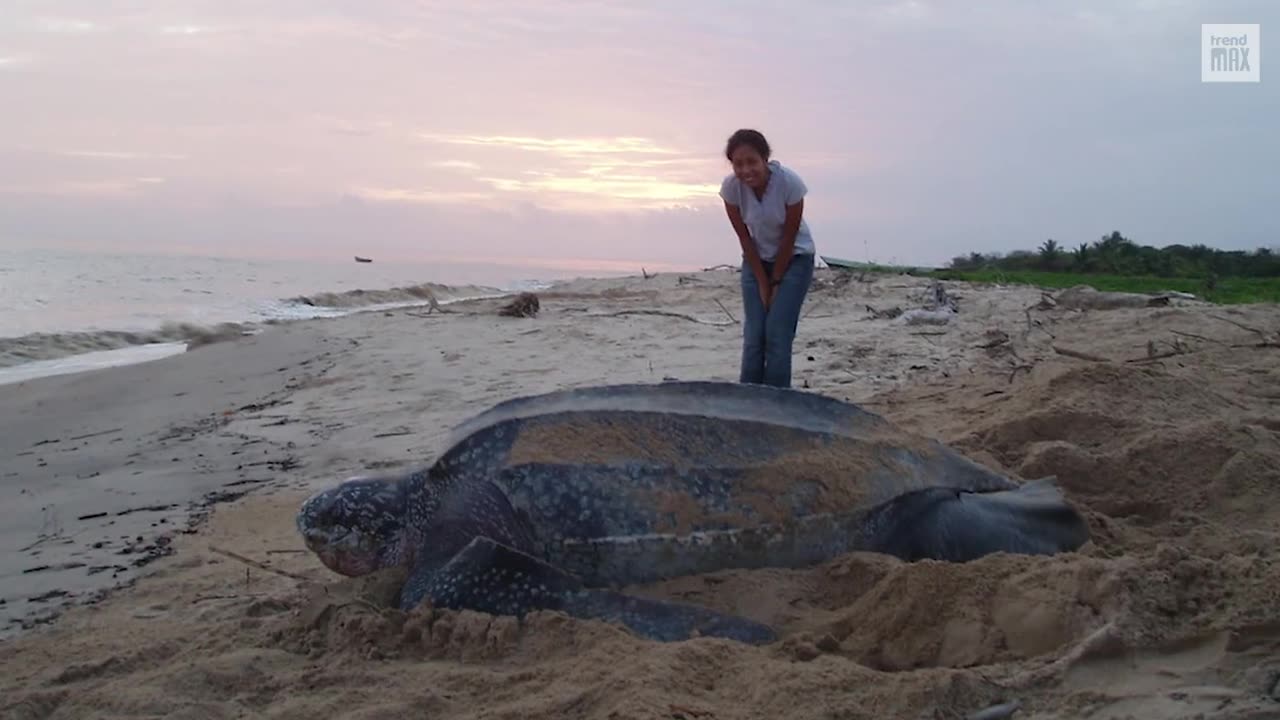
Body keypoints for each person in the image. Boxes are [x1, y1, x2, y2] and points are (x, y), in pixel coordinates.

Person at [718, 129, 816, 388]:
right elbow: (745, 239)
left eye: (752, 162)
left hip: (795, 258)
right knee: (754, 335)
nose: (746, 170)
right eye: (738, 164)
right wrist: (763, 282)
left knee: (777, 333)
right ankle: (748, 400)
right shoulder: (731, 189)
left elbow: (789, 237)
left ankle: (777, 401)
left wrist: (775, 283)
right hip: (756, 260)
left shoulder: (789, 184)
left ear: (765, 159)